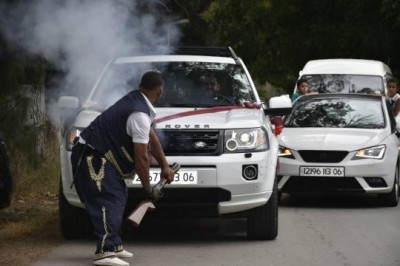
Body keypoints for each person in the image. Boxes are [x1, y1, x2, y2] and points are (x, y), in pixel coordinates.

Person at [70, 71, 175, 266]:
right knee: (108, 200)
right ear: (160, 92)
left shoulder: (138, 103)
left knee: (118, 195)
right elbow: (142, 157)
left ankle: (114, 245)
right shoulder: (140, 114)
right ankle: (105, 251)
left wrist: (165, 166)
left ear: (141, 85)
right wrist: (148, 190)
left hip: (98, 154)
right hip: (93, 155)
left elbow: (153, 139)